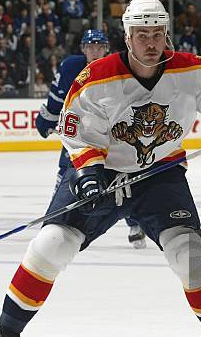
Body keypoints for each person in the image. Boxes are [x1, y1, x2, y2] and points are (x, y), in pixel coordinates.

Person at [0, 0, 201, 337]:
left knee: (190, 254)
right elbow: (77, 134)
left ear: (166, 34)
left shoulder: (194, 70)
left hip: (159, 176)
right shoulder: (97, 77)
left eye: (157, 34)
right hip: (103, 173)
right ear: (127, 36)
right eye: (141, 34)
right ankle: (5, 334)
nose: (150, 43)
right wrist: (88, 172)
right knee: (51, 245)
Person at [36, 29, 148, 249]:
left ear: (106, 49)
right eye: (90, 47)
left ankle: (135, 224)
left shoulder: (120, 67)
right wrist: (47, 118)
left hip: (113, 135)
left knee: (120, 179)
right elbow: (58, 97)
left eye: (99, 47)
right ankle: (55, 220)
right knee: (66, 173)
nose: (95, 51)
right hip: (80, 133)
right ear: (83, 49)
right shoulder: (70, 67)